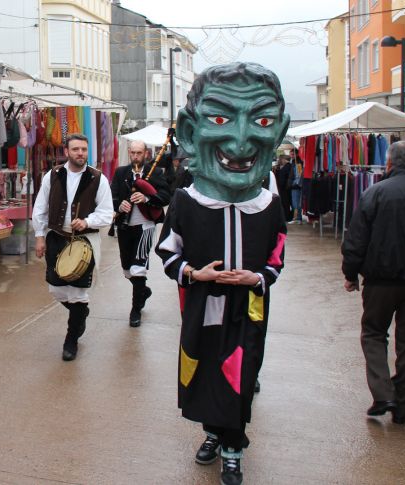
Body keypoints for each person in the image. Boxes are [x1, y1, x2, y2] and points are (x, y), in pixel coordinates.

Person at [155, 62, 290, 485]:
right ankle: (212, 433)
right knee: (203, 372)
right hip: (202, 308)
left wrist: (258, 279)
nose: (240, 138)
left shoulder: (269, 205)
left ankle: (233, 448)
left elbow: (277, 256)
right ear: (190, 131)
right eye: (219, 118)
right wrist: (194, 273)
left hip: (248, 310)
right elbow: (167, 251)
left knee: (242, 375)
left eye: (263, 120)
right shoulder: (186, 201)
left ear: (279, 132)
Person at [341, 140, 405, 426]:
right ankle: (402, 402)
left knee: (373, 333)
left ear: (389, 163)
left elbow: (356, 239)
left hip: (380, 280)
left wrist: (350, 273)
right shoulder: (375, 192)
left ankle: (383, 394)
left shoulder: (375, 193)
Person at [32, 133, 113, 361]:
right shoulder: (53, 175)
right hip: (57, 236)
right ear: (66, 151)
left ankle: (71, 339)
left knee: (78, 291)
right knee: (56, 287)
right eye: (76, 149)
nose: (81, 153)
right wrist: (39, 236)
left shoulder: (98, 178)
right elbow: (40, 208)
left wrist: (88, 221)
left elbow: (107, 213)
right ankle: (81, 313)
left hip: (84, 241)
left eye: (84, 149)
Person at [111, 139, 172, 326]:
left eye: (139, 153)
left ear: (146, 154)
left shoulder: (155, 173)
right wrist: (119, 204)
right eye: (133, 153)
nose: (136, 156)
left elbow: (165, 196)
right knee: (127, 270)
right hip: (125, 225)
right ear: (129, 153)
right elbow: (112, 196)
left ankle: (135, 309)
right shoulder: (121, 172)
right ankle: (143, 290)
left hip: (145, 225)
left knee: (138, 268)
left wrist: (147, 198)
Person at [287, 157, 303, 224]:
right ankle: (297, 218)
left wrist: (294, 183)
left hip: (296, 187)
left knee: (296, 203)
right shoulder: (296, 165)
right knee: (295, 203)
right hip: (295, 186)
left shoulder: (298, 165)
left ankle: (298, 218)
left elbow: (298, 177)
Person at [276, 155, 293, 221]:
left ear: (284, 159)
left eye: (281, 159)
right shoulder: (287, 166)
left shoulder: (287, 167)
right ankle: (287, 216)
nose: (280, 161)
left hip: (284, 188)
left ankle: (287, 217)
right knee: (286, 203)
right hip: (285, 188)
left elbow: (283, 178)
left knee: (286, 203)